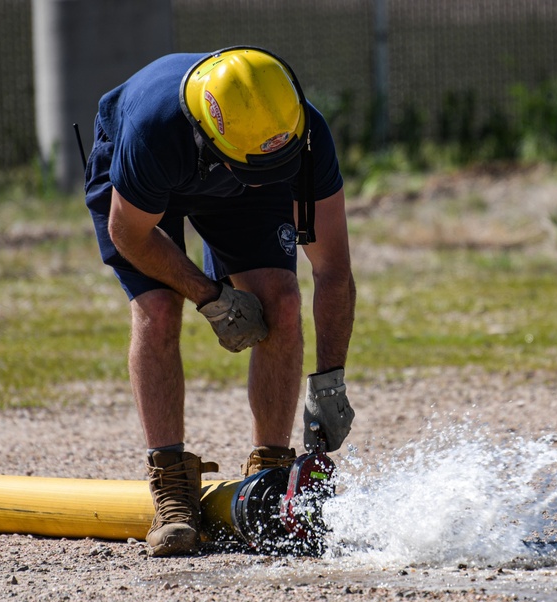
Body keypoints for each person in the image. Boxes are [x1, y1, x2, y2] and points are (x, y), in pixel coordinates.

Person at [83, 46, 356, 557]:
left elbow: (333, 270)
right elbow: (130, 233)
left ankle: (271, 480)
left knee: (281, 302)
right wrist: (211, 297)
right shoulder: (153, 131)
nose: (269, 178)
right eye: (260, 169)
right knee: (159, 310)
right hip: (155, 180)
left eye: (281, 164)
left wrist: (330, 381)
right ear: (213, 138)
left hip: (236, 156)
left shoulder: (301, 133)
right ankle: (171, 490)